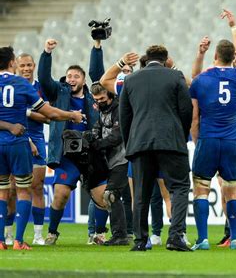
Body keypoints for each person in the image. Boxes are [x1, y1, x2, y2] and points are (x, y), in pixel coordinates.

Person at [0, 46, 83, 250]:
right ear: (12, 63)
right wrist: (72, 115)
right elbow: (50, 113)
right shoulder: (21, 84)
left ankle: (1, 241)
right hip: (19, 144)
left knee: (2, 193)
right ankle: (19, 240)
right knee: (23, 190)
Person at [190, 10, 236, 251]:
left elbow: (194, 78)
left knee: (201, 189)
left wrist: (200, 53)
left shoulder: (204, 79)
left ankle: (203, 239)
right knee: (232, 192)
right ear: (234, 57)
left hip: (208, 139)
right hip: (233, 141)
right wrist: (234, 26)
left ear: (215, 55)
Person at [120, 44, 193, 252]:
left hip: (139, 143)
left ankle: (141, 240)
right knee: (179, 187)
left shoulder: (131, 79)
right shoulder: (175, 76)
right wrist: (181, 134)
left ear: (147, 58)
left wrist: (130, 143)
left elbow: (124, 116)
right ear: (166, 58)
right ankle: (175, 237)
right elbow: (186, 110)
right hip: (171, 140)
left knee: (141, 193)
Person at [37, 39, 102, 245]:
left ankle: (98, 234)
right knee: (61, 195)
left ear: (84, 80)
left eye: (77, 76)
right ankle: (52, 232)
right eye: (70, 75)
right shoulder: (59, 92)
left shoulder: (93, 96)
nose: (72, 78)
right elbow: (44, 79)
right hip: (67, 156)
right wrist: (47, 53)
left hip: (92, 153)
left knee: (102, 196)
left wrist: (97, 46)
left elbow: (98, 73)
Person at [4, 53, 50, 246]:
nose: (26, 68)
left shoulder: (39, 88)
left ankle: (38, 234)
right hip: (14, 139)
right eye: (22, 65)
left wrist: (27, 112)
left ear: (33, 66)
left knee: (37, 186)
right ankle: (8, 233)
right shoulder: (11, 86)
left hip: (37, 139)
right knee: (12, 189)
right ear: (16, 66)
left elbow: (48, 116)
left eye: (29, 65)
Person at [89, 83, 130, 246]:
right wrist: (91, 137)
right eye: (96, 99)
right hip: (111, 160)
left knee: (111, 195)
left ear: (111, 96)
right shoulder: (103, 111)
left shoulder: (119, 109)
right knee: (111, 196)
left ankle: (121, 235)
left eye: (102, 99)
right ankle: (121, 234)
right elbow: (97, 128)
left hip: (123, 158)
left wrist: (97, 144)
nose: (99, 102)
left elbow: (117, 136)